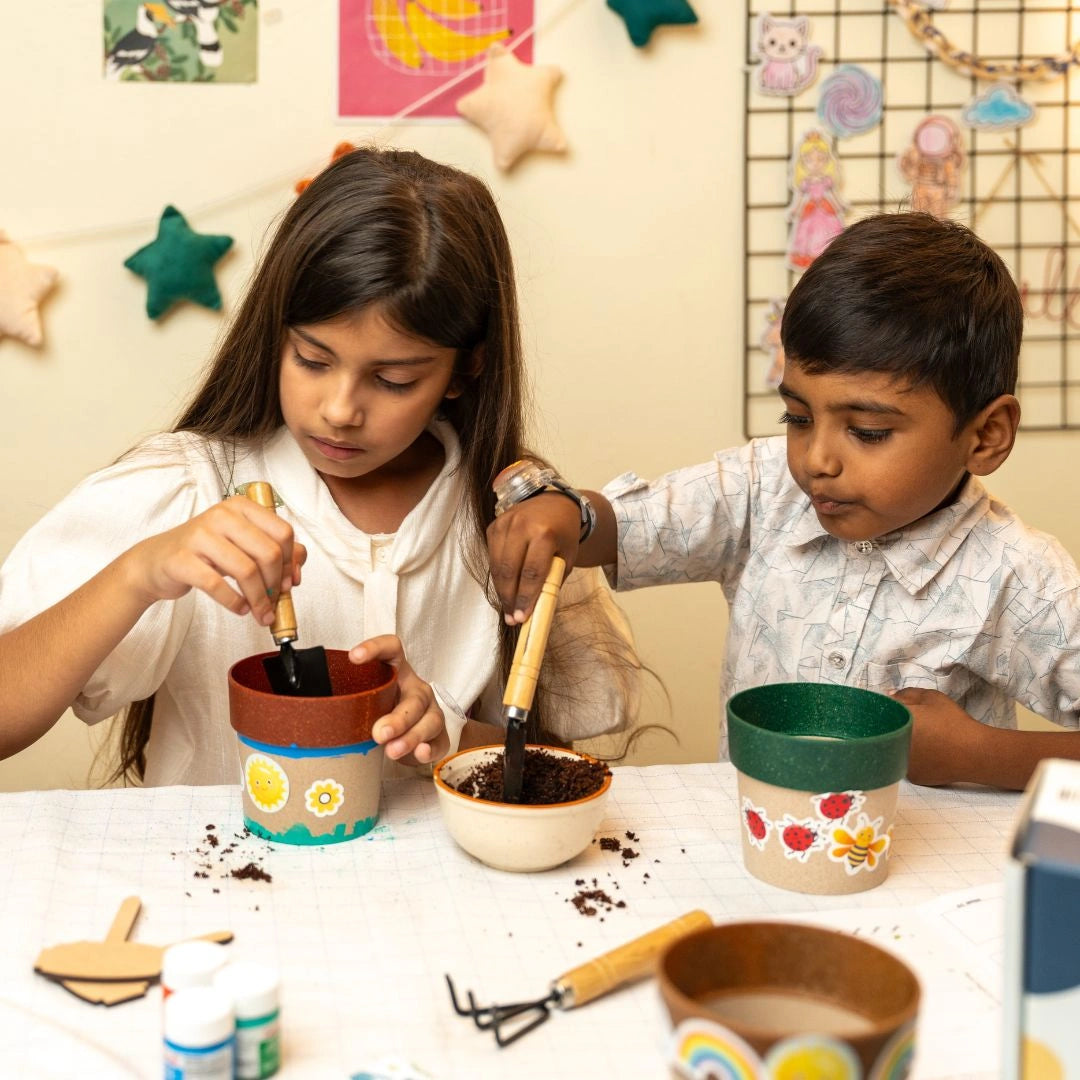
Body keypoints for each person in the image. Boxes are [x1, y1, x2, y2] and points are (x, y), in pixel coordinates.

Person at [0, 146, 638, 785]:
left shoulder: (515, 517)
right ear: (275, 333)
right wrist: (140, 572)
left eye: (392, 380)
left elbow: (564, 771)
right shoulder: (184, 487)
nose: (339, 410)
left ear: (463, 369)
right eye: (312, 360)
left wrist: (448, 731)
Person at [487, 212, 1080, 791]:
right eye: (797, 417)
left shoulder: (1019, 578)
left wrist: (978, 753)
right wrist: (568, 515)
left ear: (986, 435)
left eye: (868, 431)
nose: (816, 458)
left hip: (930, 885)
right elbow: (622, 526)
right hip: (756, 867)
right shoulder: (764, 489)